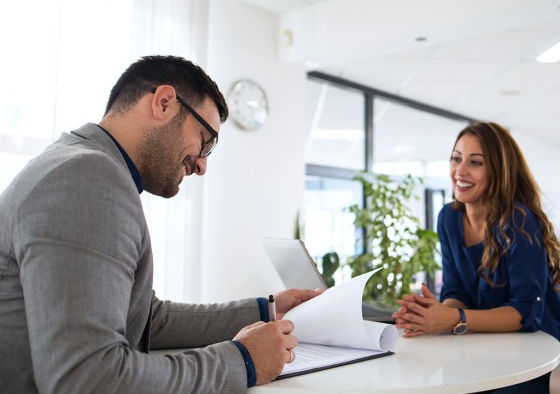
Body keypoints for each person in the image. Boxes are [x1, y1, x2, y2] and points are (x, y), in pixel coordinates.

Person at [0, 55, 321, 393]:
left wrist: (267, 310)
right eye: (205, 140)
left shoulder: (80, 165)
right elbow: (88, 378)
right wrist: (242, 361)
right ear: (164, 103)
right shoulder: (87, 178)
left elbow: (146, 317)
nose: (201, 165)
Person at [392, 121, 560, 392]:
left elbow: (526, 313)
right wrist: (437, 314)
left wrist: (453, 318)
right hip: (481, 345)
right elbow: (457, 290)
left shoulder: (518, 221)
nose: (460, 170)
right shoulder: (448, 217)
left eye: (476, 162)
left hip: (534, 355)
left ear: (498, 170)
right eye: (456, 158)